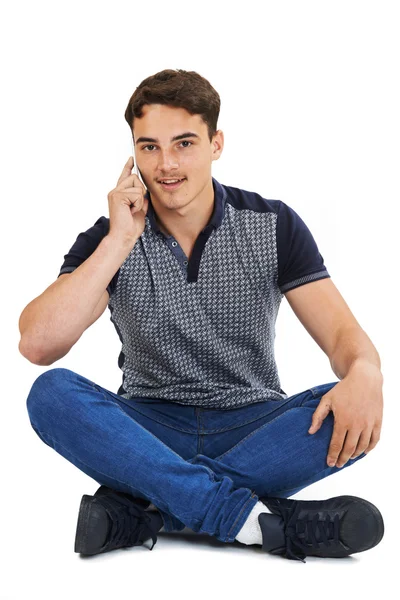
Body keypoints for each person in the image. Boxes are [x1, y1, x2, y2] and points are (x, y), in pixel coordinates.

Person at [19, 69, 384, 562]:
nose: (166, 165)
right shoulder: (109, 239)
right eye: (148, 148)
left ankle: (149, 511)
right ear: (133, 155)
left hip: (254, 424)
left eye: (183, 144)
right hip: (147, 425)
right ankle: (258, 522)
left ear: (216, 144)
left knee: (348, 407)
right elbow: (38, 344)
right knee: (51, 395)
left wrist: (365, 372)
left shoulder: (272, 224)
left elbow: (344, 338)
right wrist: (120, 240)